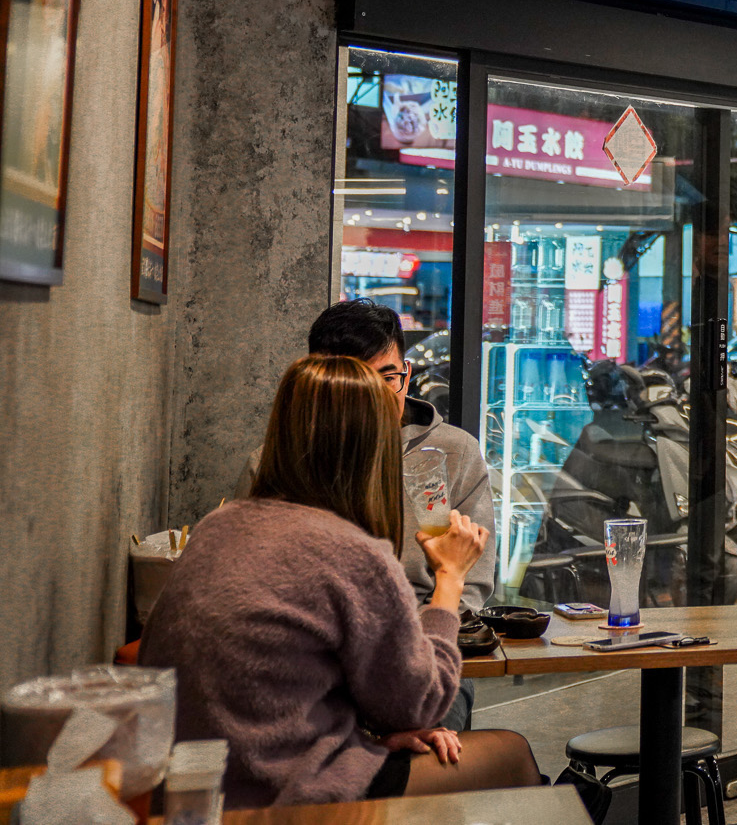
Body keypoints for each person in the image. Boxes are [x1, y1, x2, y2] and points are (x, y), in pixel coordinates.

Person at [142, 355, 544, 809]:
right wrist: (449, 577)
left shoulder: (218, 526)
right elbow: (421, 706)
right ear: (373, 448)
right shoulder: (353, 555)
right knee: (512, 757)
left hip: (193, 784)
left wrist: (366, 740)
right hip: (280, 791)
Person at [240, 300, 495, 731]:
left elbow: (473, 583)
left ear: (407, 373)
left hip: (424, 641)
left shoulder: (455, 453)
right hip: (313, 659)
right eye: (354, 383)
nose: (374, 399)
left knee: (435, 737)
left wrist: (419, 639)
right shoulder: (278, 463)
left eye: (387, 378)